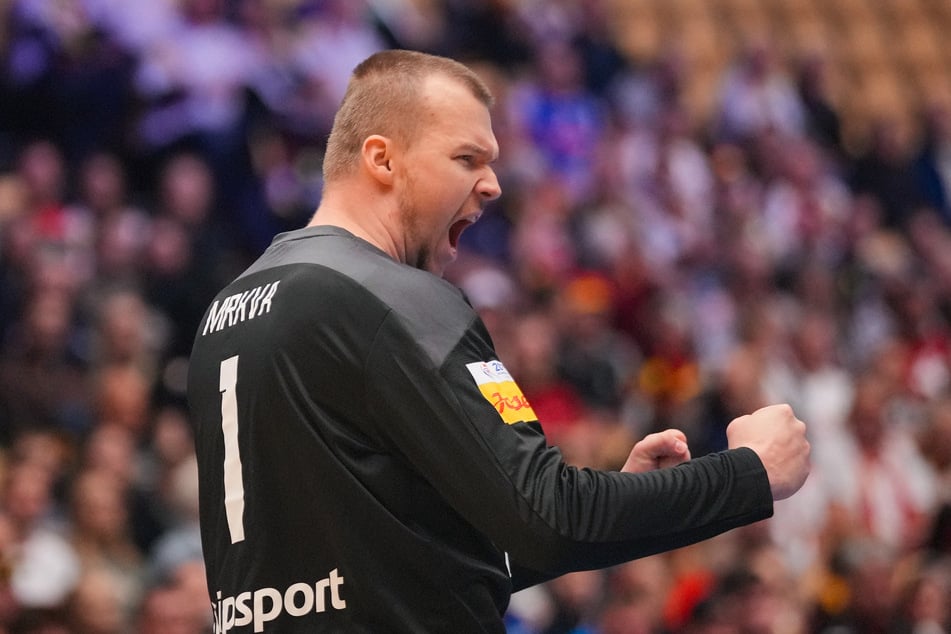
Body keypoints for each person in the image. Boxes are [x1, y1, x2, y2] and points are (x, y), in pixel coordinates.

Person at [187, 49, 810, 633]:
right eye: (467, 158)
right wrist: (750, 474)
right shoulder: (395, 298)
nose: (492, 185)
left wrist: (627, 497)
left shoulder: (228, 310)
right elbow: (552, 519)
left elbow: (406, 566)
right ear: (382, 159)